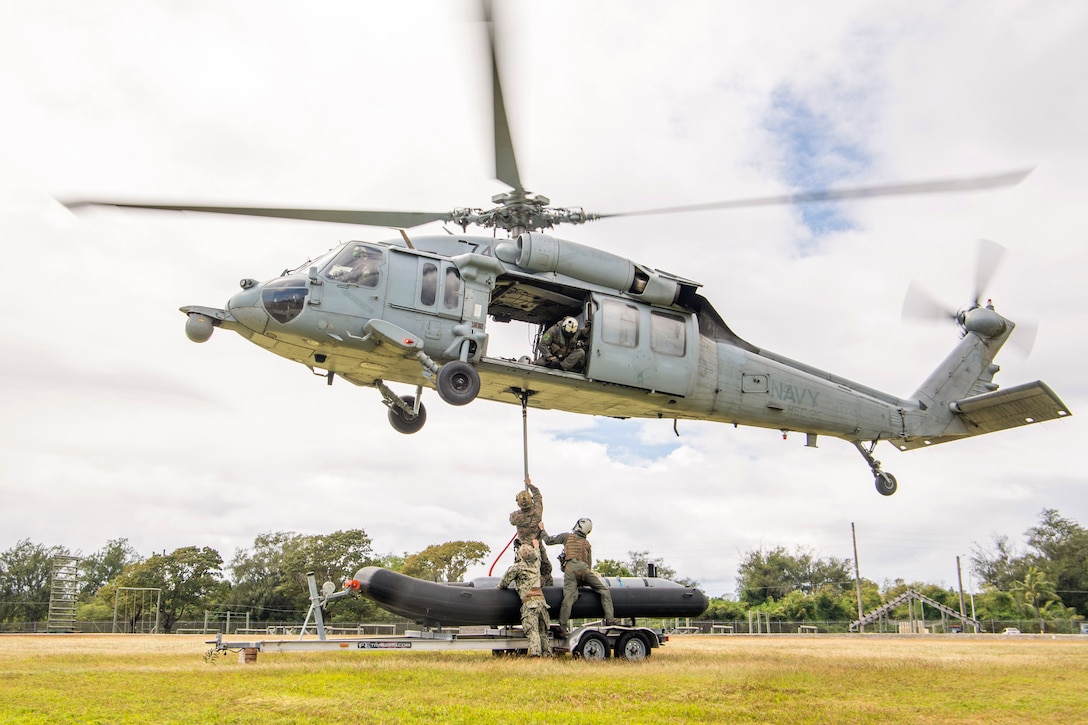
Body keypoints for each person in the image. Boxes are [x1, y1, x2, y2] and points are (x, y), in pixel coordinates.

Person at [542, 517, 616, 638]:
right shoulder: (587, 544)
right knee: (604, 590)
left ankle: (562, 627)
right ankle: (610, 619)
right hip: (585, 572)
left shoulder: (567, 537)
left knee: (568, 599)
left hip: (570, 572)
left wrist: (542, 530)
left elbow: (548, 541)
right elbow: (589, 565)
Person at [497, 544, 551, 657]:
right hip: (542, 603)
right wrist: (536, 546)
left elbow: (503, 583)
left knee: (533, 632)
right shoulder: (536, 564)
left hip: (530, 604)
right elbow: (538, 554)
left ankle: (535, 656)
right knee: (543, 633)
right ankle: (547, 656)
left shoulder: (518, 567)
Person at [508, 479, 553, 586]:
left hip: (524, 550)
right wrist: (530, 485)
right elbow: (538, 495)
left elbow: (511, 520)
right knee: (545, 569)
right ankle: (547, 585)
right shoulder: (537, 510)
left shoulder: (515, 517)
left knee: (521, 570)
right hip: (537, 546)